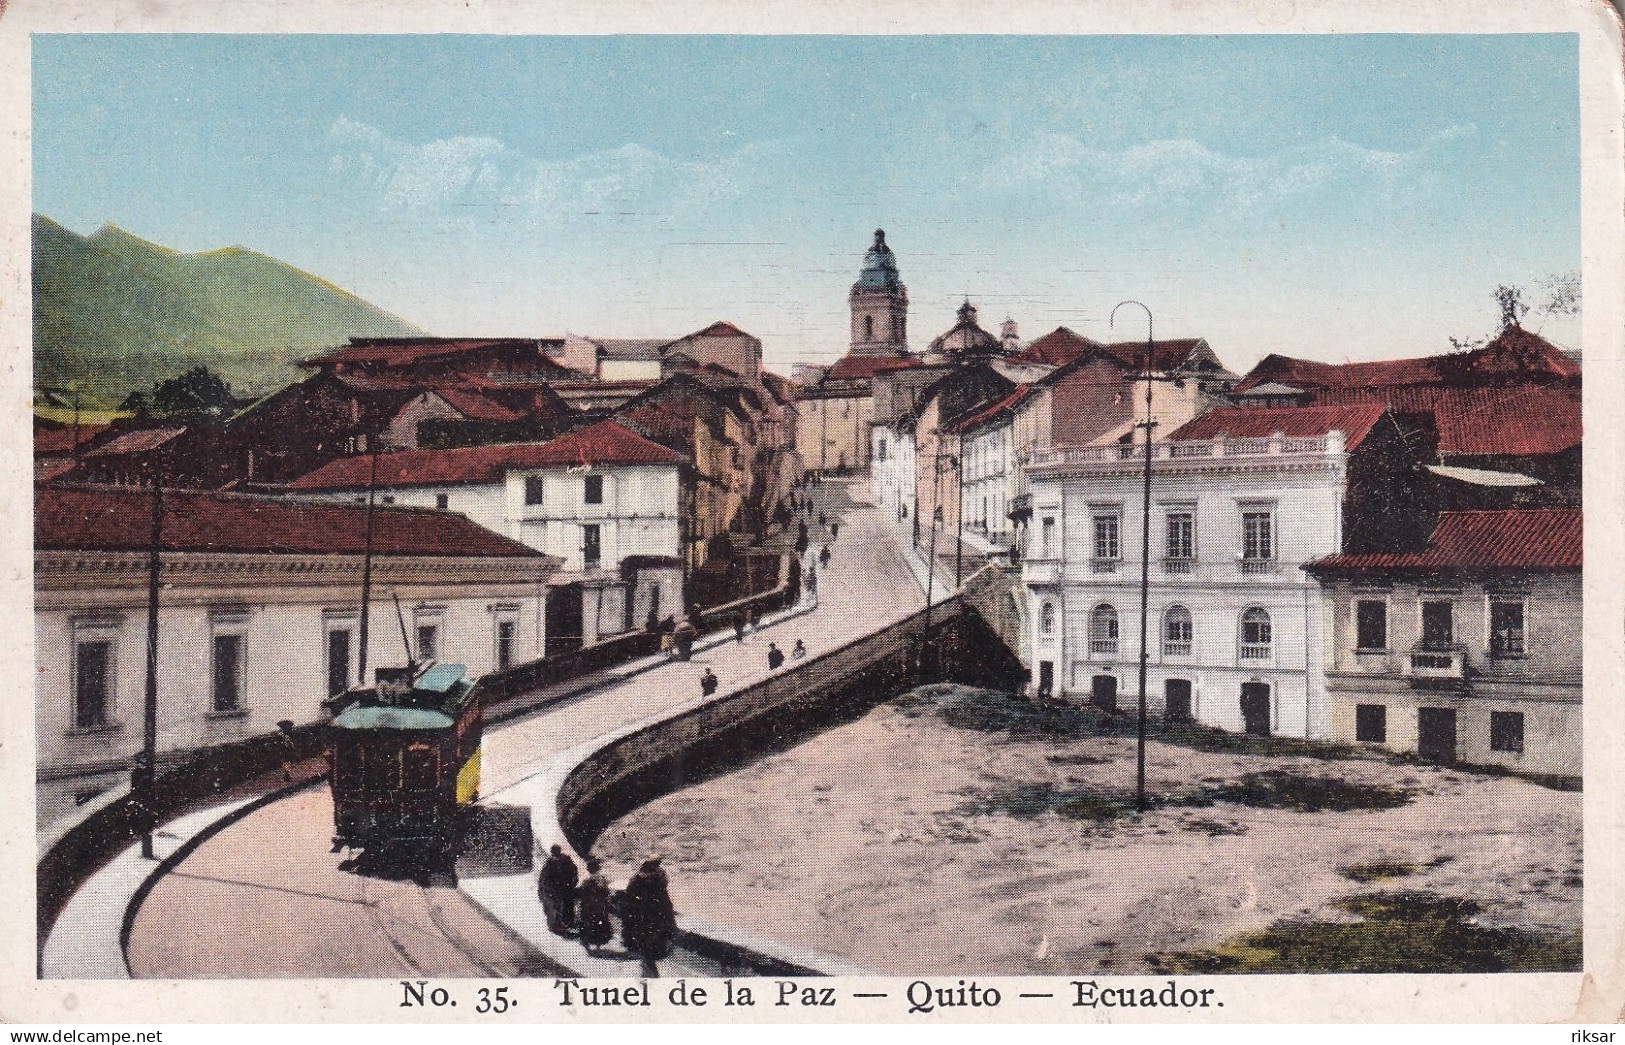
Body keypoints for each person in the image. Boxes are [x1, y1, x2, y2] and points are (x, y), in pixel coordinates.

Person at [621, 858, 678, 977]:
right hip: (659, 911)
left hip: (644, 912)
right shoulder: (661, 875)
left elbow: (630, 893)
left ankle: (647, 961)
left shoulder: (638, 877)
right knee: (658, 935)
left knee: (644, 936)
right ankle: (653, 958)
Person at [576, 859, 615, 957]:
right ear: (598, 869)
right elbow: (607, 893)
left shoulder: (585, 880)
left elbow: (581, 894)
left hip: (588, 907)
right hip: (599, 907)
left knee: (587, 925)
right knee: (599, 925)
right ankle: (598, 946)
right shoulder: (601, 879)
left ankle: (587, 946)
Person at [539, 844, 580, 935]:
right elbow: (545, 879)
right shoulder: (555, 862)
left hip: (562, 889)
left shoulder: (555, 862)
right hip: (561, 890)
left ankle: (564, 925)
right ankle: (564, 925)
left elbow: (544, 879)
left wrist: (570, 884)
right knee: (562, 907)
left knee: (562, 907)